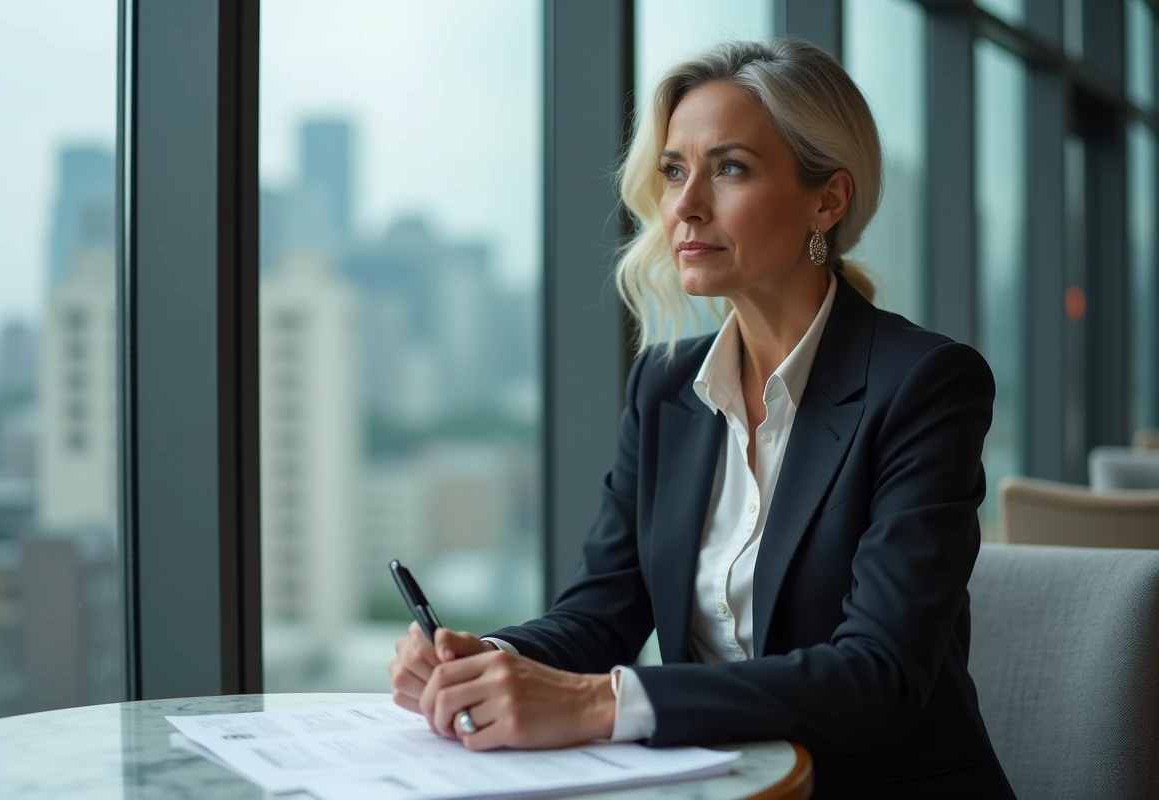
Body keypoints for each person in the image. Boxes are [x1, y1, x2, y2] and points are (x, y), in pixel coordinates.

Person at [388, 37, 1016, 799]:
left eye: (730, 169)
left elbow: (876, 676)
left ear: (829, 198)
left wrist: (602, 703)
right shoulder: (665, 386)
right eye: (674, 171)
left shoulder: (924, 385)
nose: (683, 207)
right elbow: (600, 614)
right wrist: (484, 658)